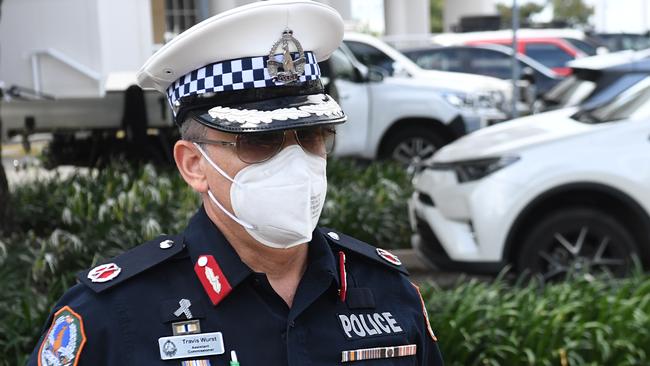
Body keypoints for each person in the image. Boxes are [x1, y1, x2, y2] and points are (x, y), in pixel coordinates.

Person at [28, 1, 444, 365]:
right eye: (260, 141)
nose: (295, 160)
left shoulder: (387, 291)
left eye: (312, 135)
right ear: (194, 165)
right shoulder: (114, 316)